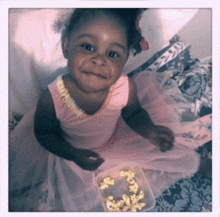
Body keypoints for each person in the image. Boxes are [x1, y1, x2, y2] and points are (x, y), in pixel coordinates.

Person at [9, 8, 208, 212]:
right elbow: (44, 133)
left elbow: (133, 113)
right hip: (71, 154)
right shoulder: (53, 98)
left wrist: (149, 130)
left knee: (165, 153)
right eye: (87, 47)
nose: (99, 60)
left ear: (125, 59)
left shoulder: (124, 87)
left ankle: (199, 164)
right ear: (67, 46)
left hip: (115, 140)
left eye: (112, 54)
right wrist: (72, 153)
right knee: (74, 200)